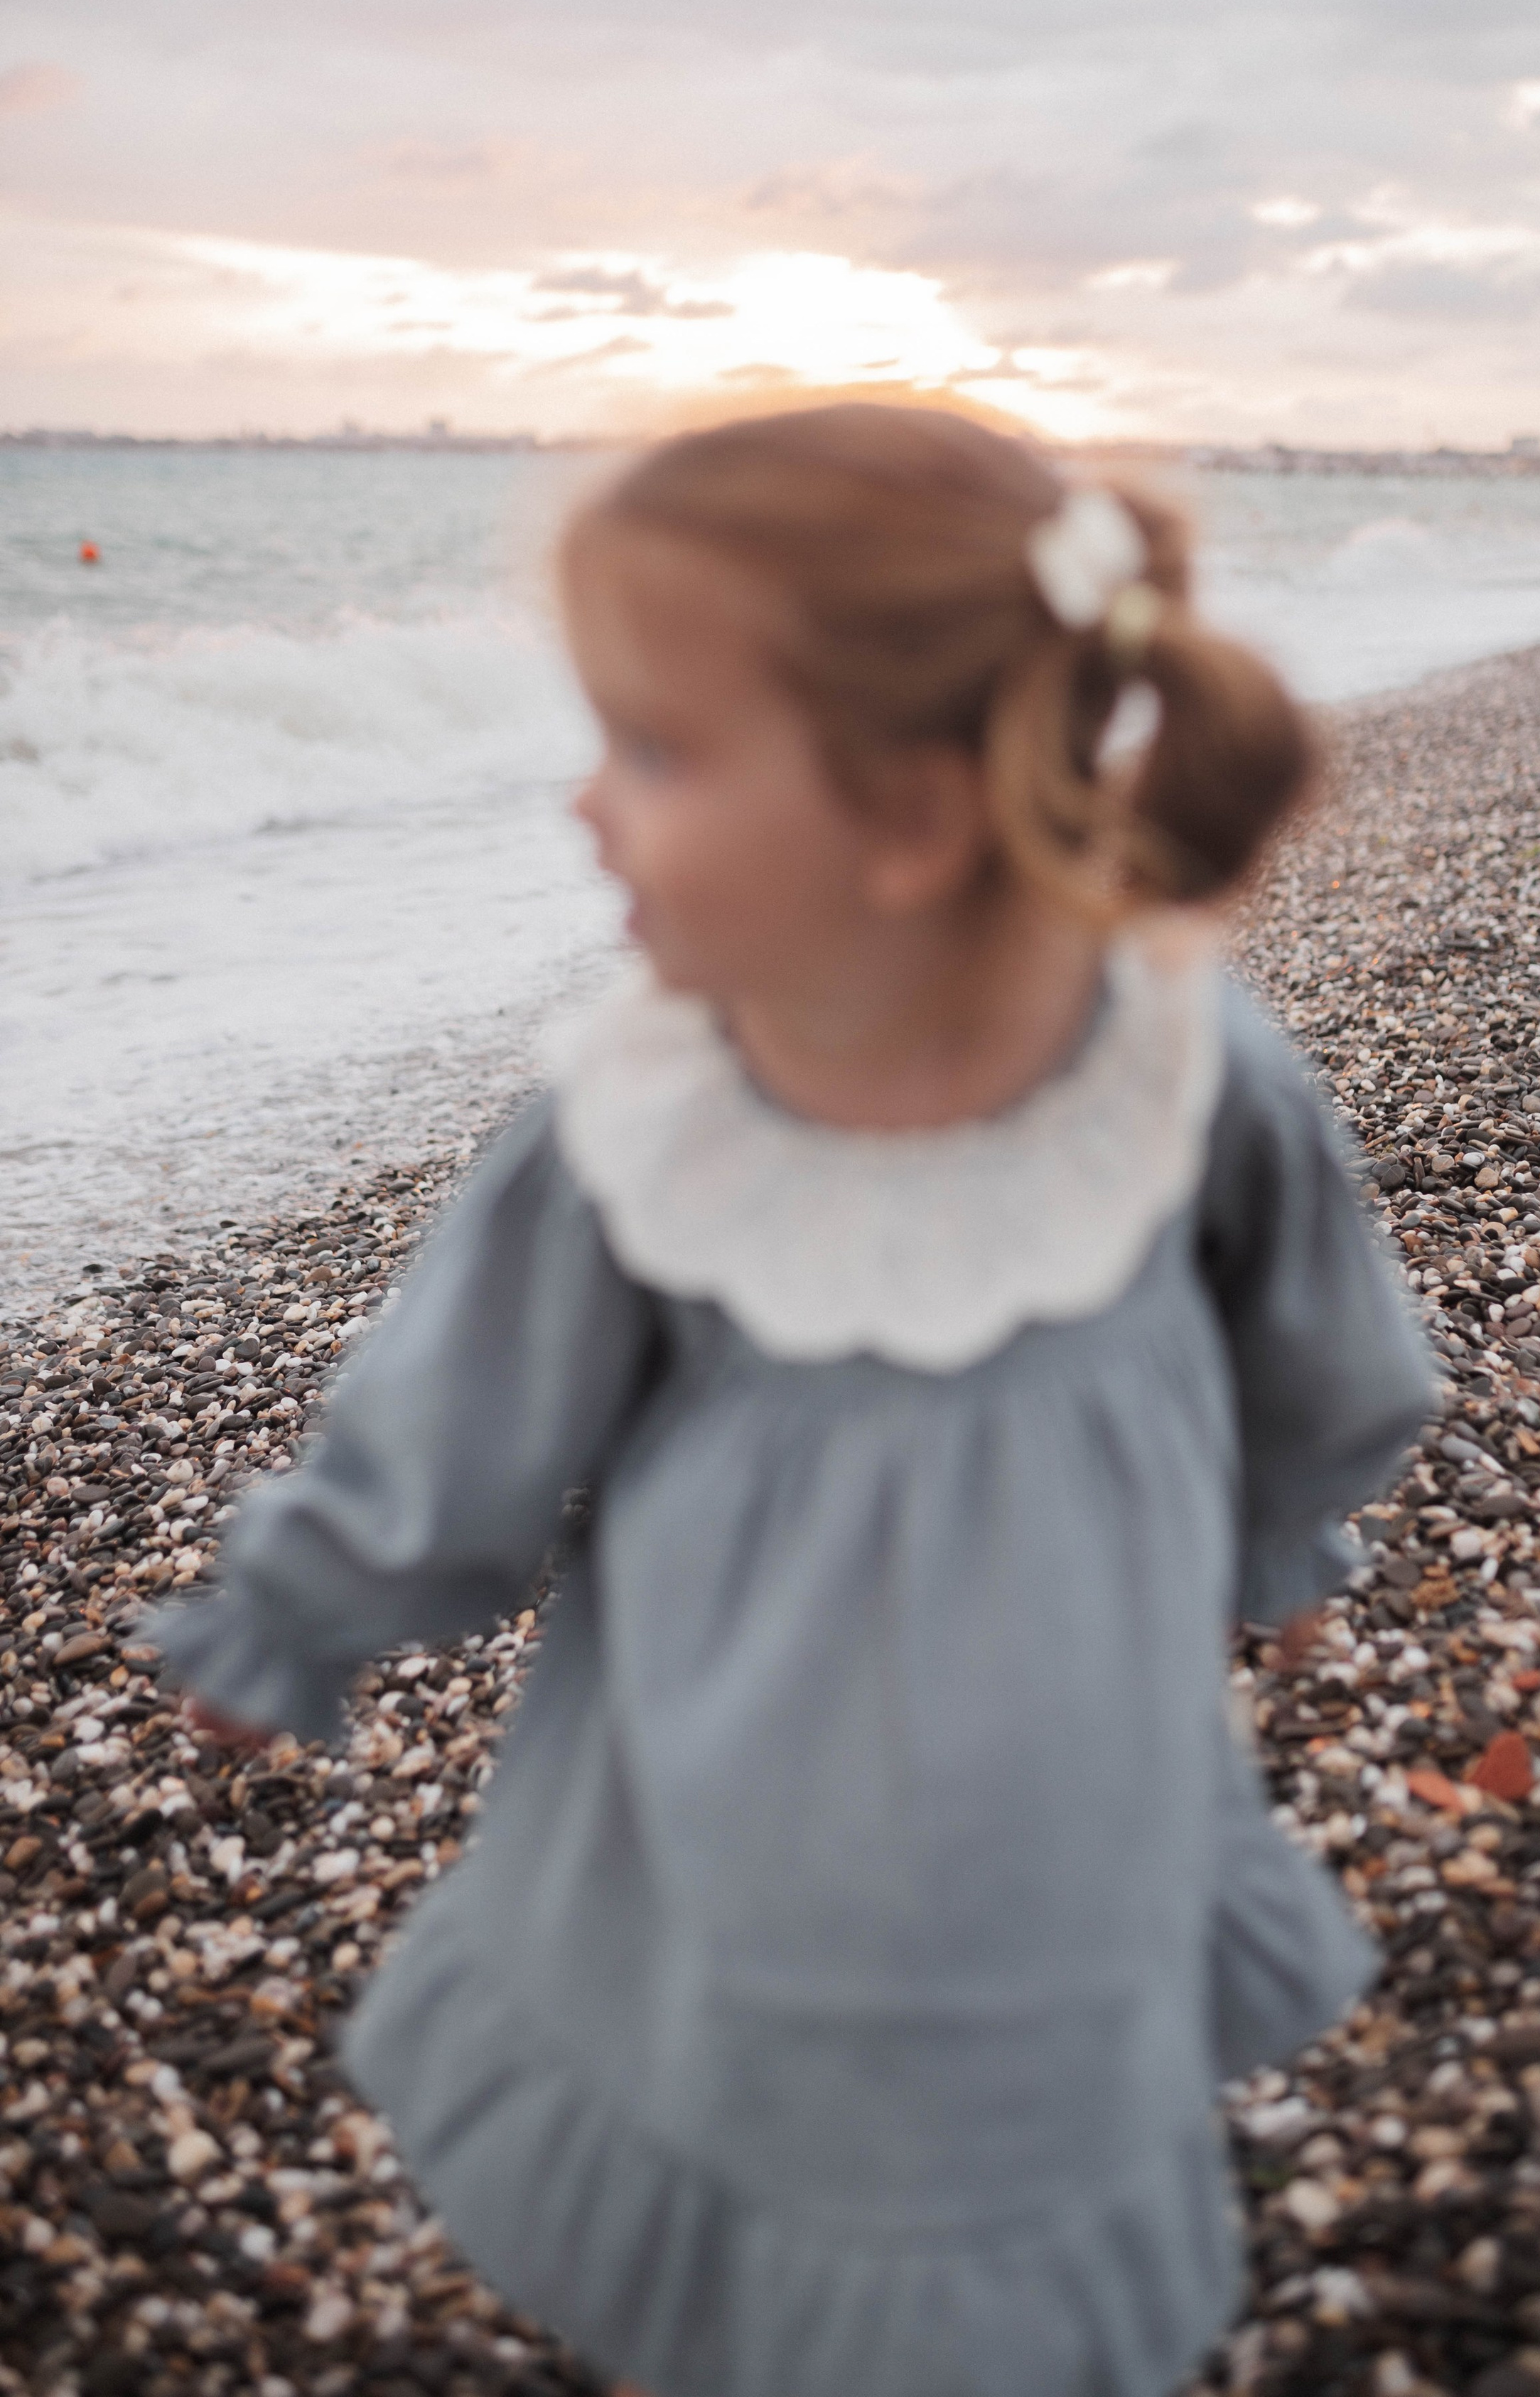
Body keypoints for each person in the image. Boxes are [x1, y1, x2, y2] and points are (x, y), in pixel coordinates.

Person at [146, 404, 1433, 2397]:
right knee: (743, 2219)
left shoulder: (1181, 1077)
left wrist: (1282, 1539)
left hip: (1066, 1817)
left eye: (652, 750)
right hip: (721, 1826)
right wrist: (304, 1605)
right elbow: (459, 1424)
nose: (584, 808)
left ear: (910, 817)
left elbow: (1318, 1345)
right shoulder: (644, 1129)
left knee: (1015, 2200)